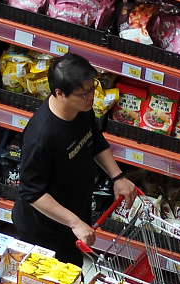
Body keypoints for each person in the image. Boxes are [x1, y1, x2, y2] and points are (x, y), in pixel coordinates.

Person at [13, 52, 137, 266]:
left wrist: (118, 177)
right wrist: (75, 223)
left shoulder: (81, 109)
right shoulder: (41, 137)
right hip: (45, 230)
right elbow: (32, 193)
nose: (91, 97)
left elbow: (95, 139)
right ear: (60, 93)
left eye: (92, 88)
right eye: (84, 94)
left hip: (74, 213)